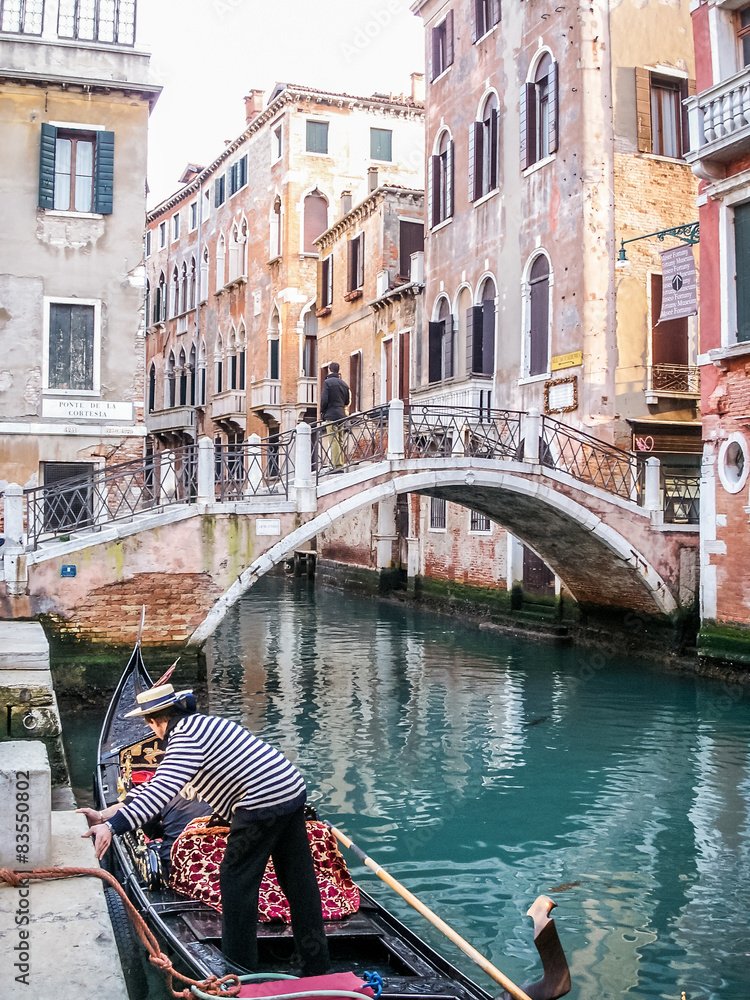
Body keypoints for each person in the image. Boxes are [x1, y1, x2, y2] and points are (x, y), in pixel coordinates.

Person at [82, 683, 330, 977]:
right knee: (298, 881)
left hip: (261, 805)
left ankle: (240, 970)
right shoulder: (204, 724)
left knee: (236, 881)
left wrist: (113, 827)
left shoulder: (184, 739)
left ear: (154, 721)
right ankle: (317, 964)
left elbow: (162, 791)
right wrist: (105, 813)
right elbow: (161, 785)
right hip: (291, 791)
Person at [320, 362, 350, 468]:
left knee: (333, 439)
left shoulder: (327, 383)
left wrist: (322, 412)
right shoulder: (344, 384)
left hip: (331, 415)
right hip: (341, 415)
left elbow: (324, 400)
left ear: (329, 369)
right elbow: (347, 401)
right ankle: (340, 463)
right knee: (340, 439)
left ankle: (337, 465)